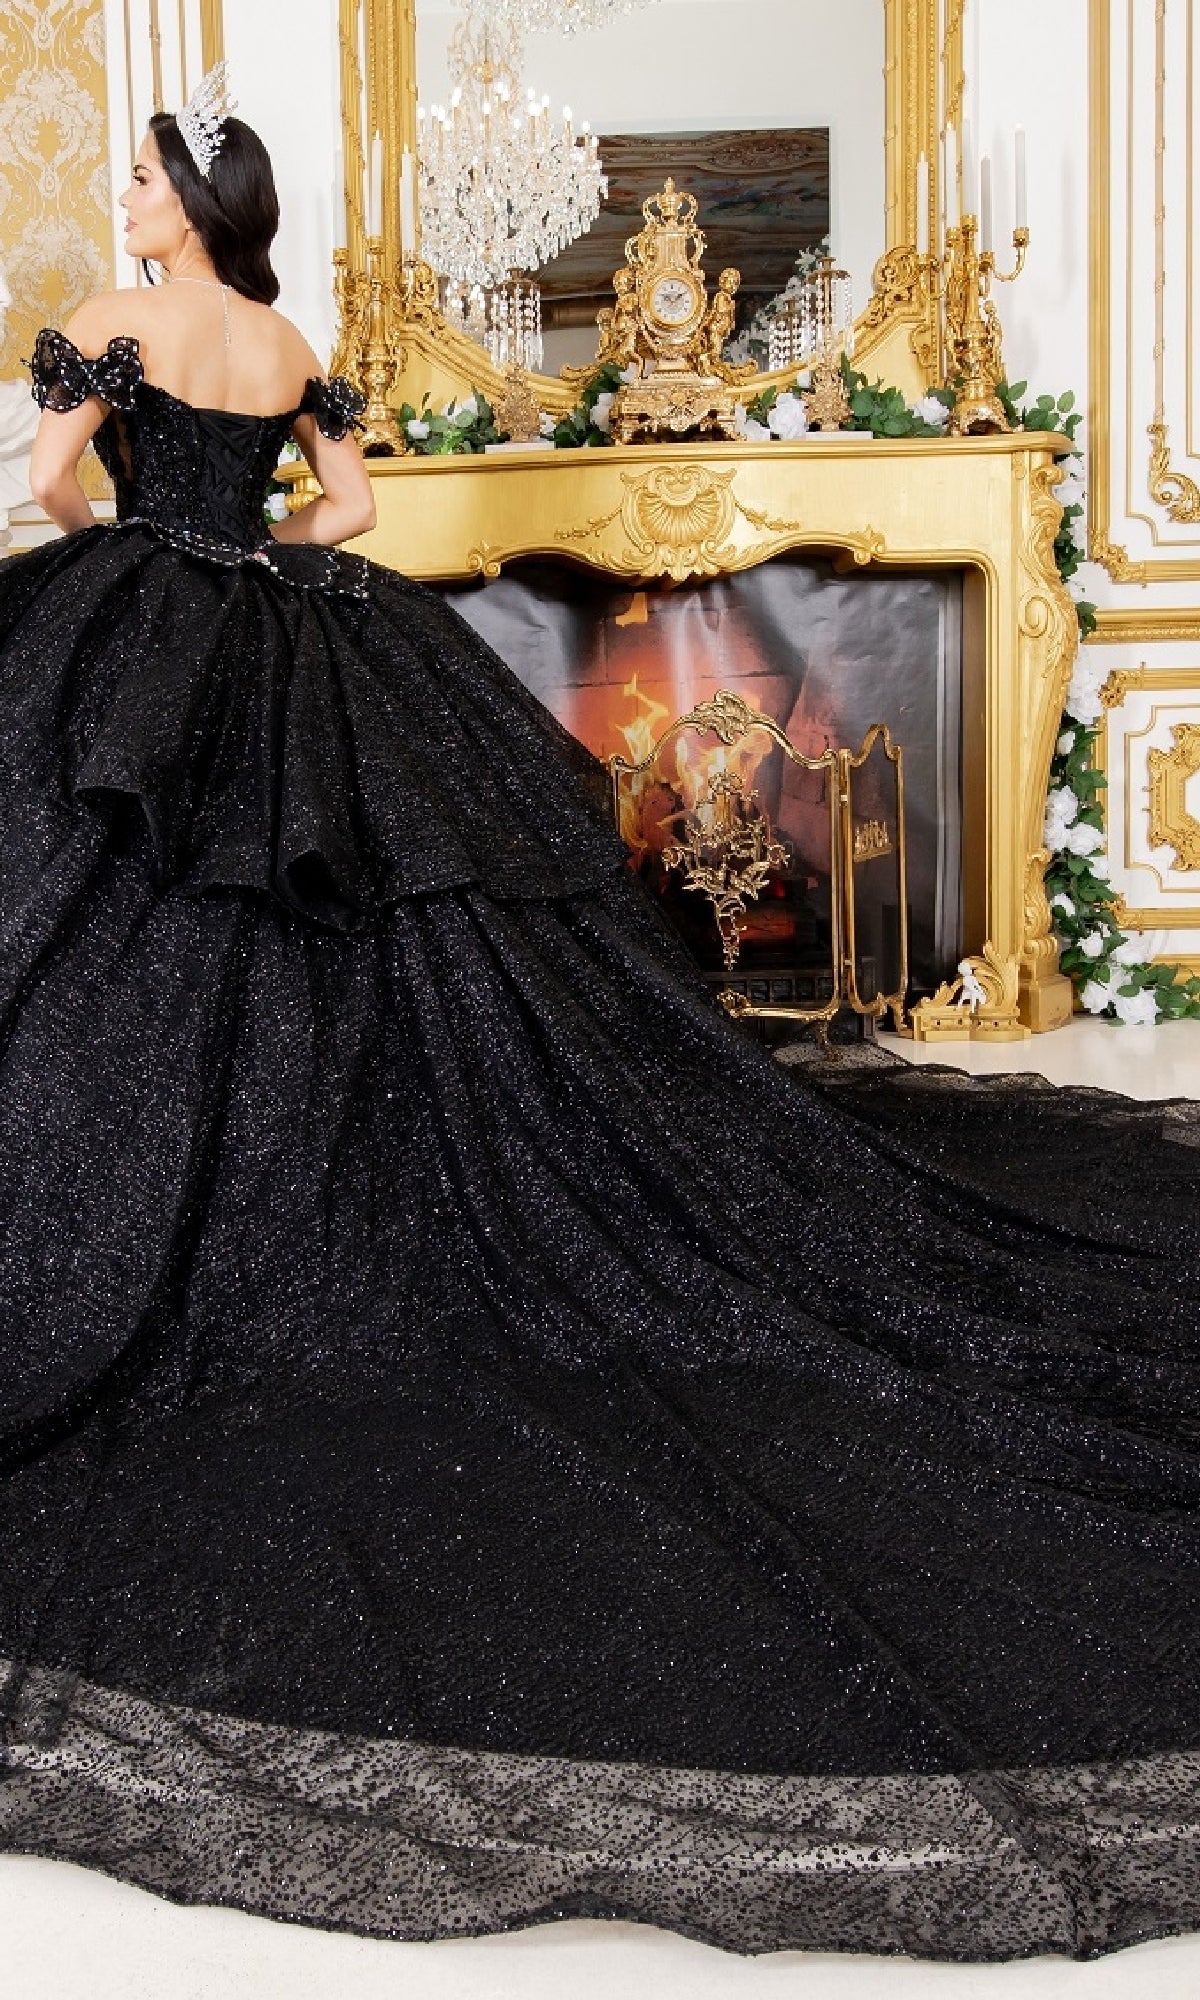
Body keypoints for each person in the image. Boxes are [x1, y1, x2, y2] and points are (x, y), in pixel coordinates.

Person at [1, 75, 1199, 1964]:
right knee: (355, 928)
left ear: (191, 199)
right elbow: (361, 507)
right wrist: (260, 565)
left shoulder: (131, 320)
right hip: (289, 629)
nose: (124, 198)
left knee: (122, 908)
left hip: (153, 631)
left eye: (141, 176)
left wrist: (120, 524)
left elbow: (45, 488)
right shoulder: (286, 334)